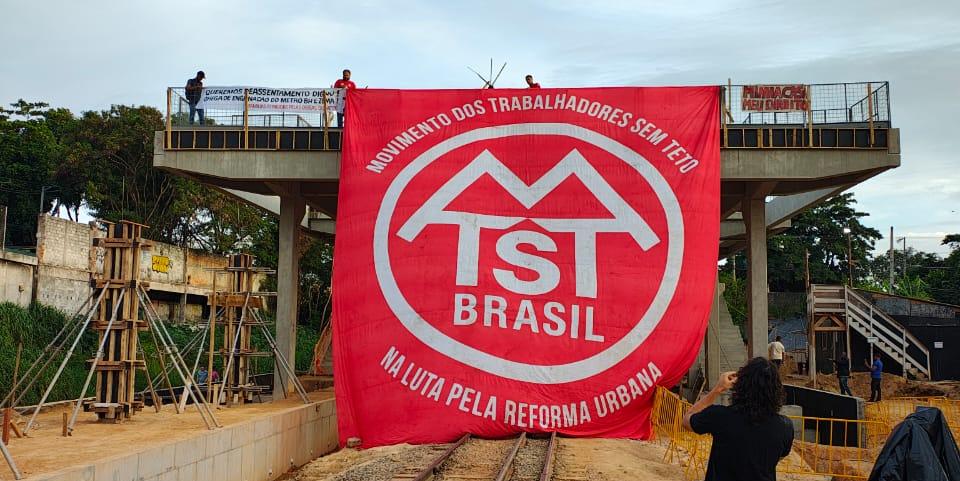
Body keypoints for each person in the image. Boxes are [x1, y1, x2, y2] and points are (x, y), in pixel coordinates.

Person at [683, 358, 794, 481]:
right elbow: (780, 456)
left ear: (740, 385)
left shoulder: (719, 416)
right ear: (777, 390)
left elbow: (687, 420)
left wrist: (717, 389)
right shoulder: (785, 427)